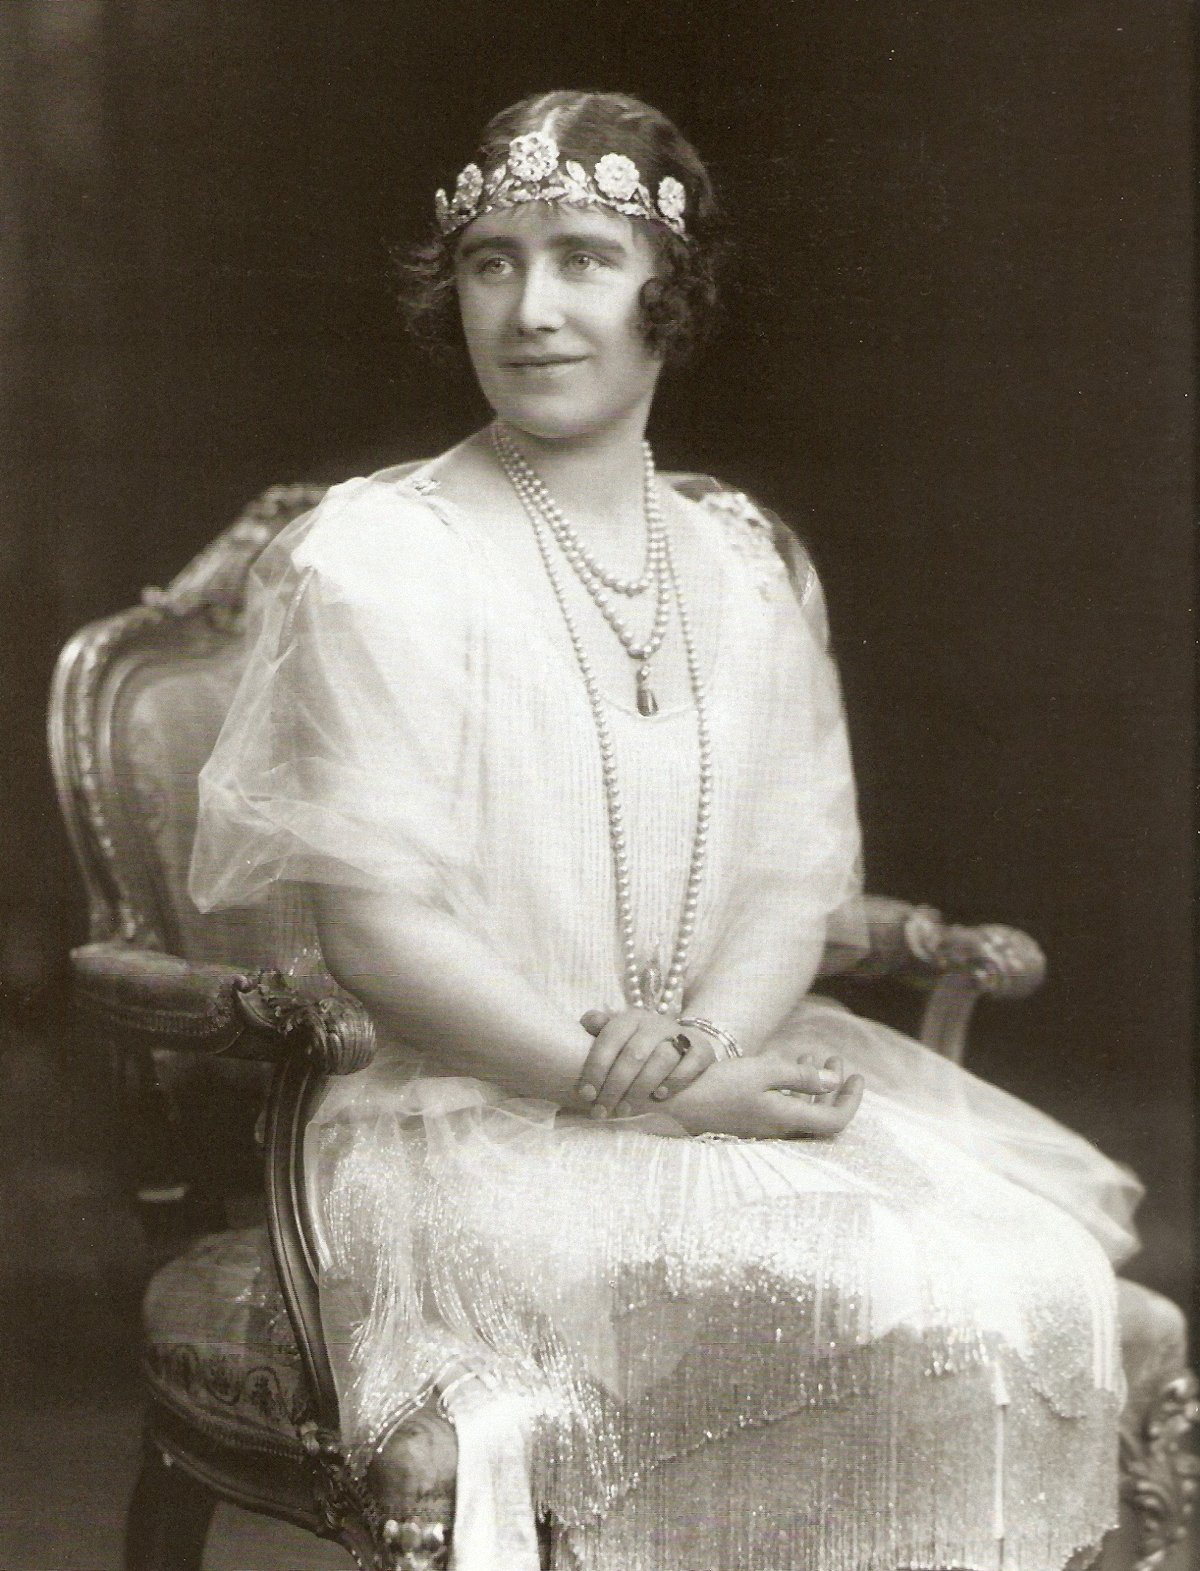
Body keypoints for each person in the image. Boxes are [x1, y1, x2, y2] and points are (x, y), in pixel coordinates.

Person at [190, 90, 1142, 1571]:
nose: (532, 308)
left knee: (1024, 1290)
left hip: (716, 1072)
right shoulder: (378, 561)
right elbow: (376, 931)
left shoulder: (742, 564)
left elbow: (787, 884)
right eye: (493, 261)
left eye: (583, 255)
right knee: (798, 1303)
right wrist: (624, 1086)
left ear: (667, 294)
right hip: (463, 1130)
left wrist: (700, 1053)